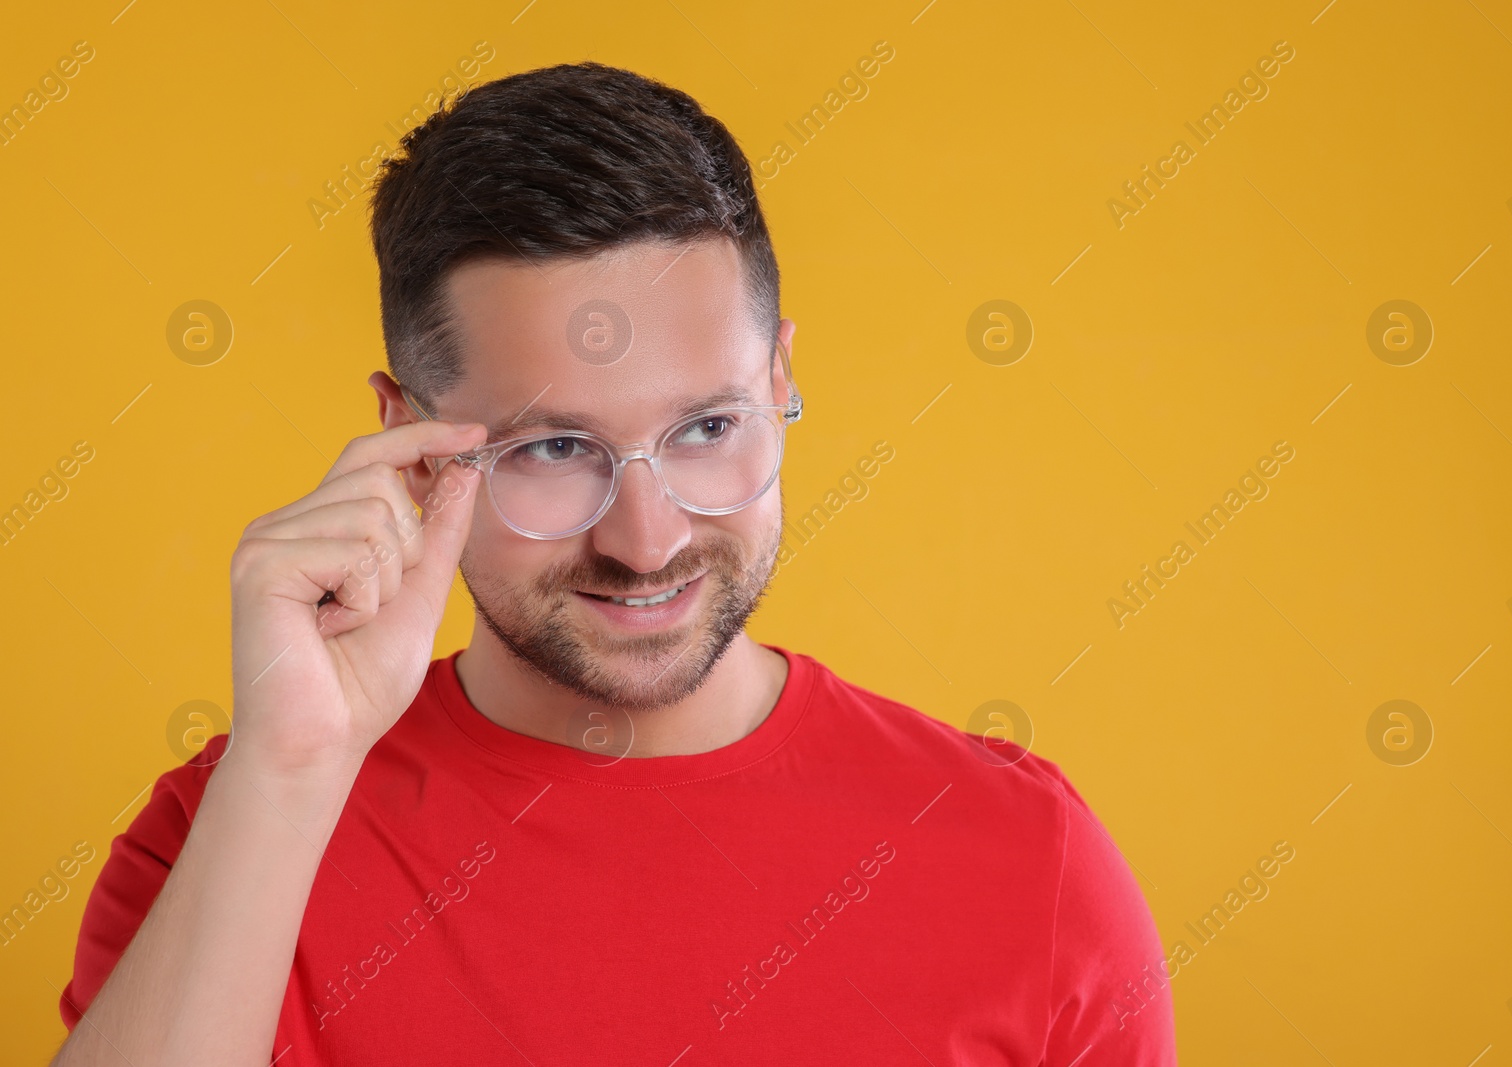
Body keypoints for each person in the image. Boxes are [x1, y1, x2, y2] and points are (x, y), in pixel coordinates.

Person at [53, 62, 1177, 1065]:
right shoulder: (227, 835)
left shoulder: (1022, 858)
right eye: (551, 446)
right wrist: (292, 769)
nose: (646, 540)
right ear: (407, 440)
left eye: (707, 428)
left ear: (781, 379)